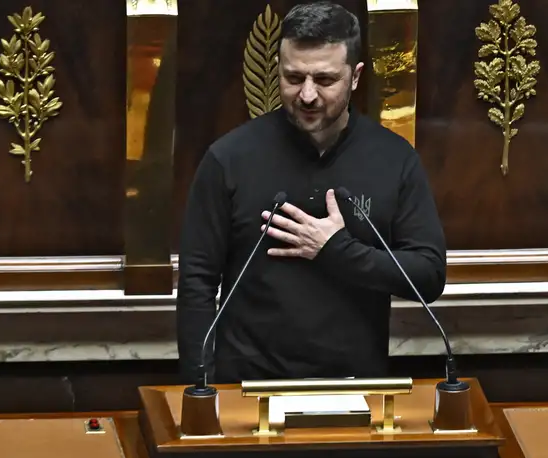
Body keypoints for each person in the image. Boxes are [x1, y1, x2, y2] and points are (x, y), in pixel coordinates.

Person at [176, 1, 446, 383]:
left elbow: (429, 276)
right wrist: (199, 386)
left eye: (324, 80)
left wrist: (337, 249)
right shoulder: (229, 159)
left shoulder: (394, 159)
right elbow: (197, 283)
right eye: (293, 77)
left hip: (357, 387)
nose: (306, 95)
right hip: (247, 386)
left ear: (355, 77)